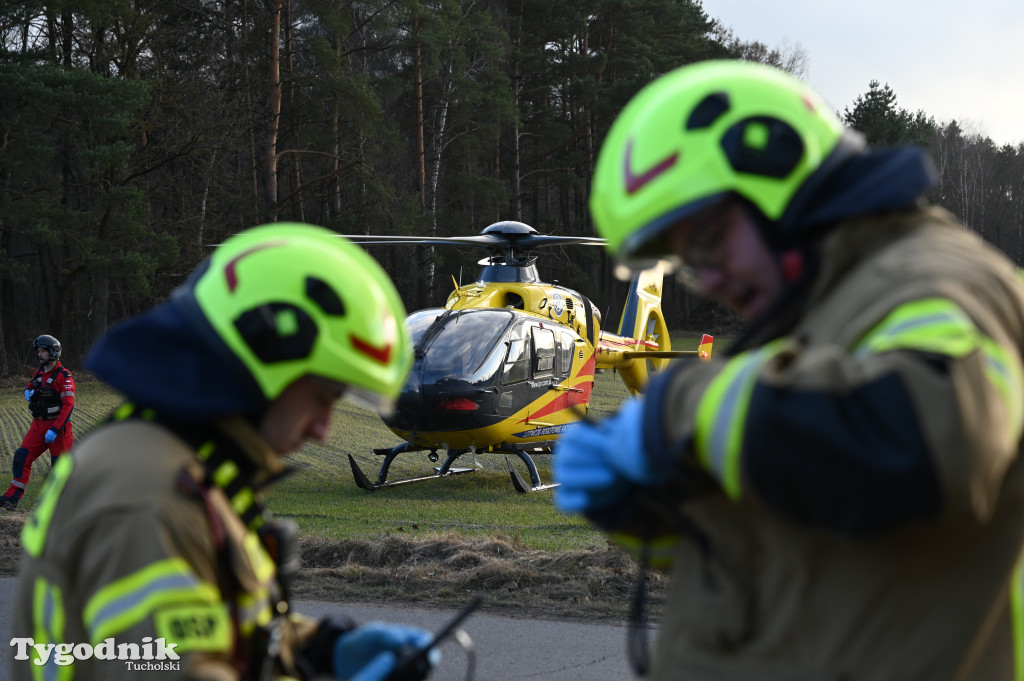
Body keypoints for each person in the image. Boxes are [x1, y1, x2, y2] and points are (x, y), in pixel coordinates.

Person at [554, 59, 1024, 680]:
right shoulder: (810, 312)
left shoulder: (936, 281)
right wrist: (645, 507)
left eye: (709, 240)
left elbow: (926, 447)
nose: (709, 282)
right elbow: (791, 545)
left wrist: (679, 409)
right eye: (688, 264)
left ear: (775, 173)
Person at [10, 223, 439, 681]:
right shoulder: (147, 499)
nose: (322, 429)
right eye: (321, 397)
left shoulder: (188, 468)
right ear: (262, 360)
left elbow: (222, 633)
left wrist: (322, 648)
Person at [1, 334, 75, 511]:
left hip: (59, 429)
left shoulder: (64, 377)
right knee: (22, 456)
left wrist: (55, 430)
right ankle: (11, 498)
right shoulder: (40, 371)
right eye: (38, 351)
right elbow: (32, 384)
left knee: (60, 469)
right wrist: (28, 391)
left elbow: (68, 405)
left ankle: (64, 507)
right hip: (38, 425)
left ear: (53, 352)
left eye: (43, 351)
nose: (39, 355)